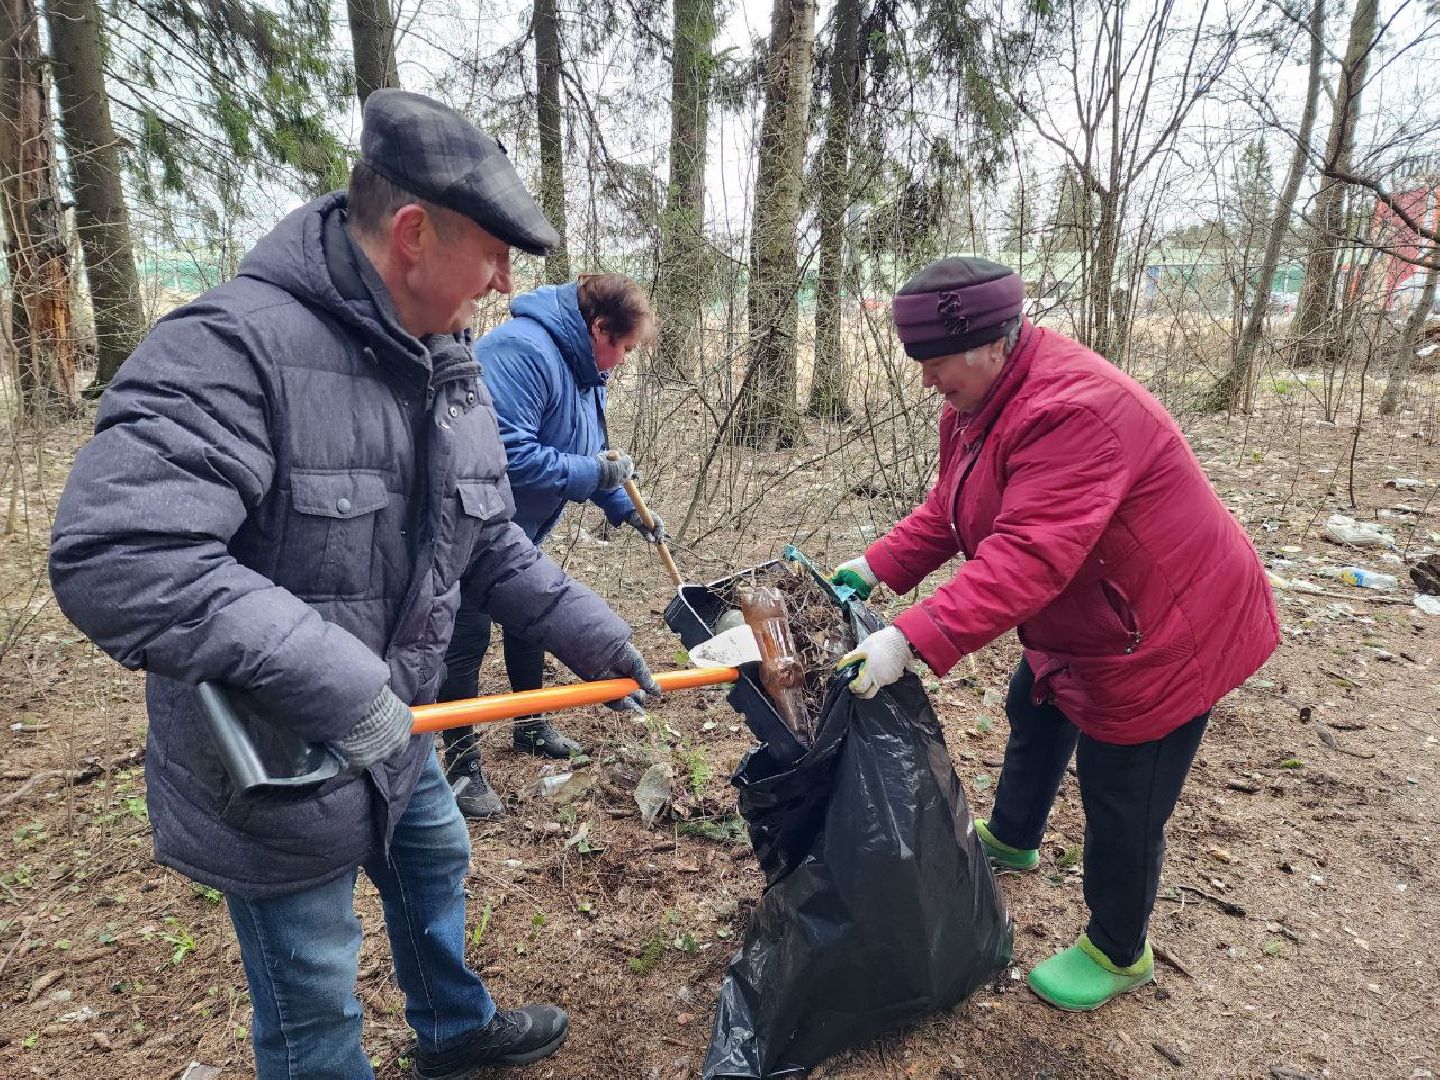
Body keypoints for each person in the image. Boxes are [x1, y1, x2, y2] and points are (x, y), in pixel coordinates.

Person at [48, 89, 660, 1079]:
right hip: (278, 766)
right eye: (493, 253)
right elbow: (118, 555)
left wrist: (596, 634)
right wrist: (346, 689)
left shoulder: (448, 364)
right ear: (414, 235)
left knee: (434, 865)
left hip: (399, 734)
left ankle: (454, 1032)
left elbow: (488, 542)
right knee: (314, 999)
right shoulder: (229, 350)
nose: (507, 282)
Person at [832, 256, 1278, 1013]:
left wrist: (909, 640)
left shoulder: (1076, 410)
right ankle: (1012, 837)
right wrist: (874, 566)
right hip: (1088, 619)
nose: (926, 381)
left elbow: (1028, 556)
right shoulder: (978, 405)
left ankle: (1119, 948)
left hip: (1164, 631)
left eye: (935, 363)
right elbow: (953, 508)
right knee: (1035, 710)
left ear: (994, 342)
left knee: (1123, 794)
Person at [439, 273, 662, 818]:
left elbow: (587, 451)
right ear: (597, 326)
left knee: (528, 621)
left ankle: (531, 722)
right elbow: (508, 452)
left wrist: (624, 506)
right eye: (624, 347)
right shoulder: (521, 352)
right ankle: (462, 766)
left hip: (522, 529)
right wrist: (594, 473)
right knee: (465, 642)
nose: (624, 360)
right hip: (473, 529)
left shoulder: (585, 370)